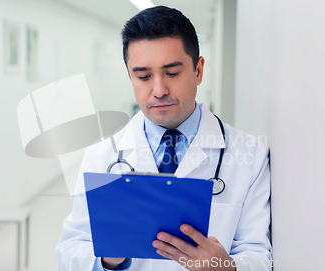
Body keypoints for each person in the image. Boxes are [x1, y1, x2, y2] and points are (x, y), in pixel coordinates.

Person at [55, 6, 271, 271]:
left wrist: (227, 267)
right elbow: (68, 251)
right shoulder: (102, 156)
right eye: (143, 76)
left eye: (172, 73)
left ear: (198, 71)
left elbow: (260, 254)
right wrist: (107, 259)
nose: (158, 90)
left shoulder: (250, 154)